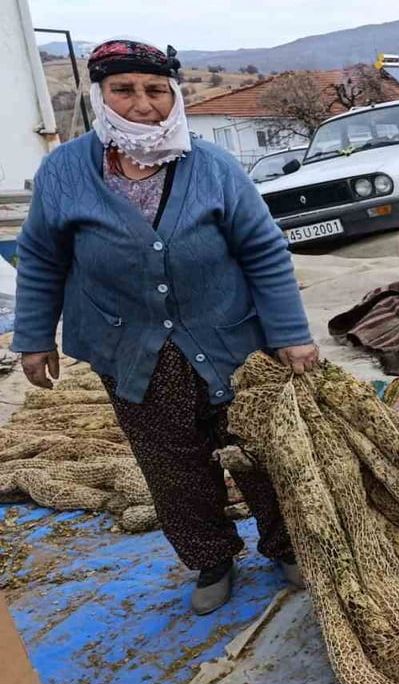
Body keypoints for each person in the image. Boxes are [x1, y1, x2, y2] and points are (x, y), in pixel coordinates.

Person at [12, 40, 319, 615]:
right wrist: (32, 337)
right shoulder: (63, 171)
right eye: (123, 90)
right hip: (128, 346)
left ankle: (286, 547)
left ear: (174, 94)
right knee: (171, 462)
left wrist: (290, 333)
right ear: (99, 97)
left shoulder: (214, 166)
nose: (142, 104)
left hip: (230, 338)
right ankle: (211, 561)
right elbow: (43, 258)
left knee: (260, 450)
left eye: (156, 90)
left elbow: (264, 252)